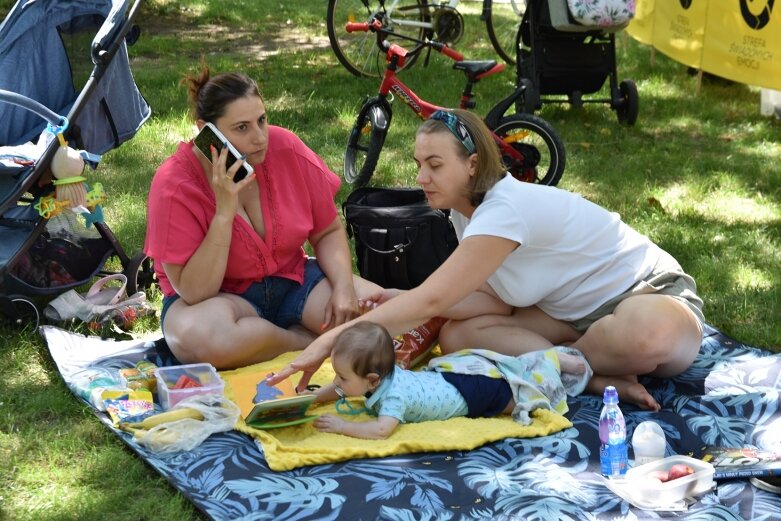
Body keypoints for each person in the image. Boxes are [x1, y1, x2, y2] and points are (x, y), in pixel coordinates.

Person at [270, 109, 705, 410]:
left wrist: (327, 343)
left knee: (647, 338)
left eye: (435, 165)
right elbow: (491, 301)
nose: (422, 178)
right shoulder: (466, 214)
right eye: (420, 163)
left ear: (473, 165)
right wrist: (401, 295)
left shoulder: (504, 210)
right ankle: (587, 375)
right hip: (572, 318)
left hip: (650, 293)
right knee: (460, 337)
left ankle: (573, 368)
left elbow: (430, 303)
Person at [144, 68, 383, 368]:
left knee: (379, 318)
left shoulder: (286, 147)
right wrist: (224, 212)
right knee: (200, 337)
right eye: (242, 128)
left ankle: (274, 341)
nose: (260, 138)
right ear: (206, 131)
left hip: (293, 282)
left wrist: (345, 289)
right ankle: (304, 343)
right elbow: (195, 292)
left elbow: (327, 231)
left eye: (262, 121)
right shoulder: (174, 184)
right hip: (220, 303)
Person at [311, 321, 590, 439]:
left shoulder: (392, 397)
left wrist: (342, 426)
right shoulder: (378, 377)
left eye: (342, 376)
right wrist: (311, 398)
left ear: (372, 380)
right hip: (450, 375)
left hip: (473, 394)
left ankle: (550, 361)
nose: (337, 381)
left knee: (524, 394)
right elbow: (339, 389)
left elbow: (382, 431)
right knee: (504, 368)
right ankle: (543, 359)